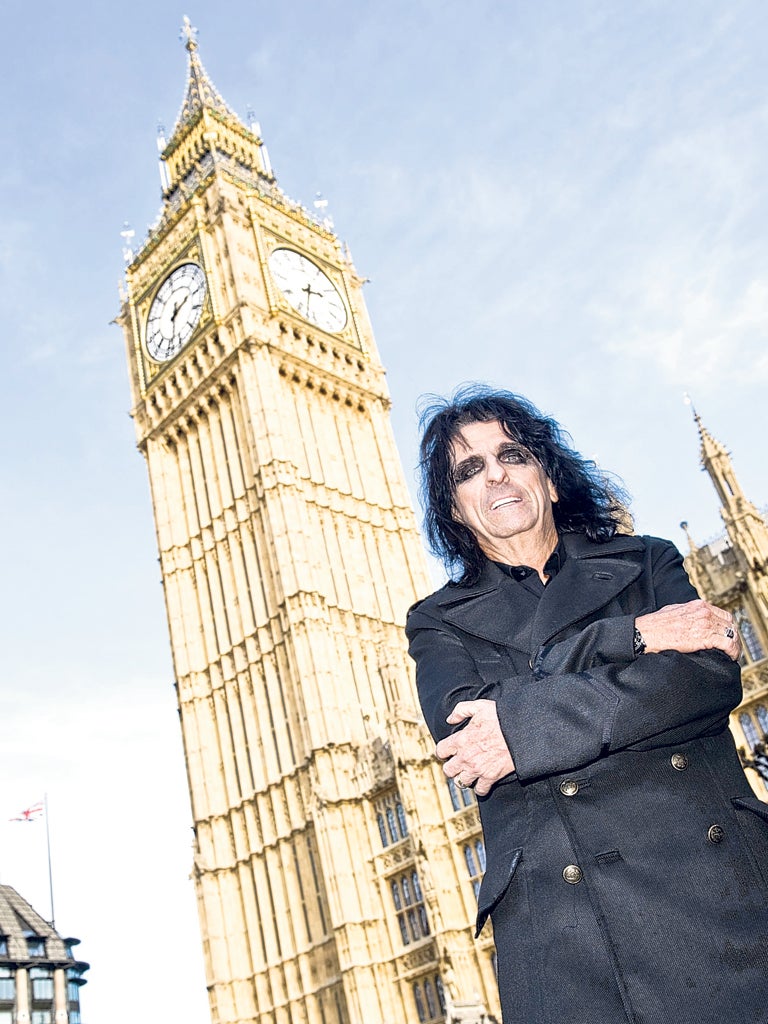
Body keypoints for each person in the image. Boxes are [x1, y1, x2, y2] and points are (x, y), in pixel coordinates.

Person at [406, 385, 768, 1024]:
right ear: (456, 511)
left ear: (548, 477)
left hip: (716, 901)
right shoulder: (437, 623)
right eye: (469, 470)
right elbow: (472, 736)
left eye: (512, 455)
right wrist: (635, 636)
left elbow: (706, 681)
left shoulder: (646, 560)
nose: (496, 476)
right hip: (570, 941)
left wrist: (524, 718)